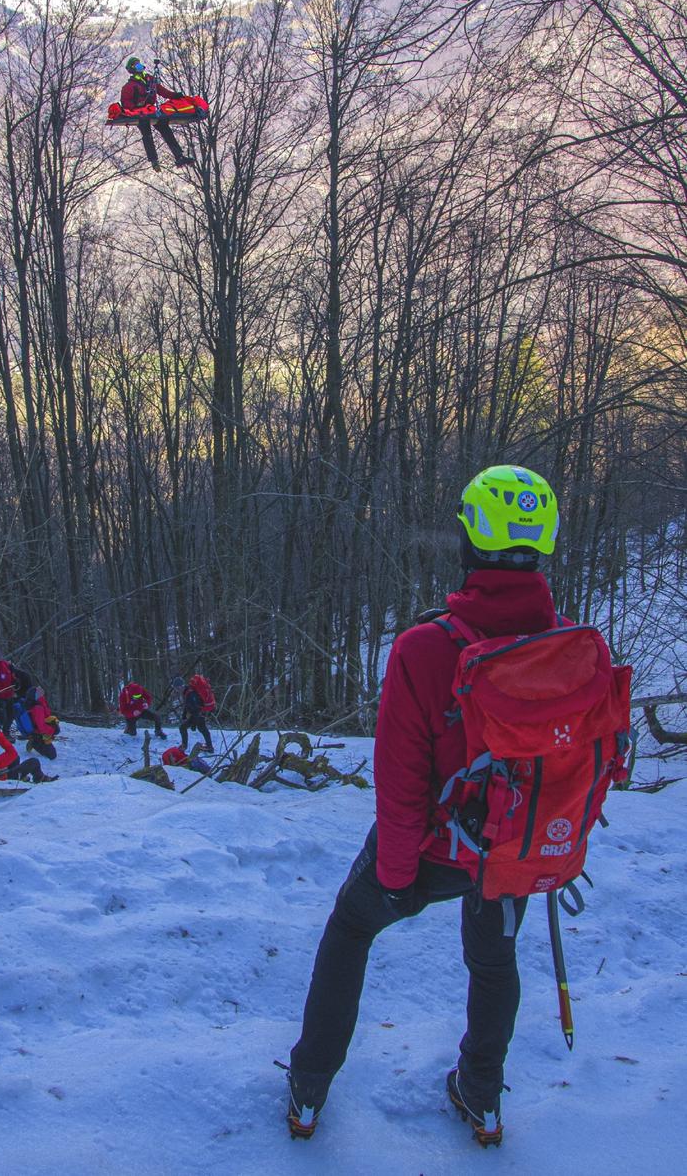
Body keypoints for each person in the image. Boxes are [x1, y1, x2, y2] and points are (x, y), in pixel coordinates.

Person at [287, 465, 562, 1146]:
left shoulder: (425, 649)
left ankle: (308, 1090)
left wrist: (396, 875)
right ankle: (481, 1095)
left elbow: (402, 784)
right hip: (512, 851)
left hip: (435, 849)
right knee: (494, 960)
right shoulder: (564, 648)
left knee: (351, 929)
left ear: (470, 541)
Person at [121, 56, 193, 172]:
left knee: (165, 128)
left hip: (151, 111)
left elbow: (162, 91)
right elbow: (126, 104)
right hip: (140, 113)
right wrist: (135, 109)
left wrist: (175, 95)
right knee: (147, 134)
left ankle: (179, 156)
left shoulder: (150, 79)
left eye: (139, 63)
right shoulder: (129, 87)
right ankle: (154, 161)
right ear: (132, 68)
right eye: (135, 64)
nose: (139, 65)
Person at [0, 650, 33, 737]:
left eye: (0, 654)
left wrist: (15, 681)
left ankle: (6, 733)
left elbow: (11, 676)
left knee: (10, 715)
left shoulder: (5, 664)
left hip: (9, 694)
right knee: (2, 716)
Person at [15, 686, 60, 761]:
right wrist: (51, 730)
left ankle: (35, 740)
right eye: (40, 694)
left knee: (55, 728)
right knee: (52, 755)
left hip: (38, 731)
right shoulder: (38, 708)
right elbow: (41, 727)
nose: (42, 694)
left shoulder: (36, 704)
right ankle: (34, 742)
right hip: (38, 733)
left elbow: (46, 715)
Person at [178, 674, 215, 753]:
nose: (177, 690)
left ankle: (209, 747)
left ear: (181, 686)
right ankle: (209, 747)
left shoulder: (190, 693)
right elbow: (187, 705)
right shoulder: (187, 692)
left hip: (198, 714)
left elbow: (196, 707)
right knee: (202, 729)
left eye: (178, 687)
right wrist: (184, 716)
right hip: (198, 714)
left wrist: (194, 723)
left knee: (199, 729)